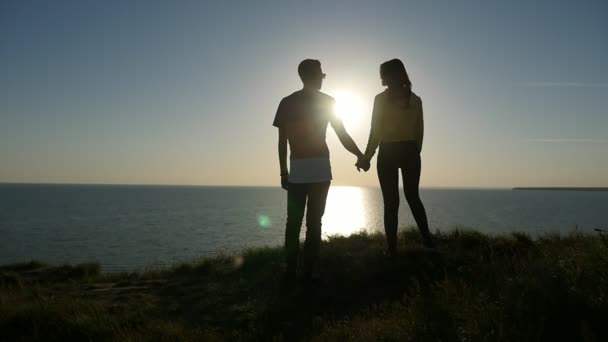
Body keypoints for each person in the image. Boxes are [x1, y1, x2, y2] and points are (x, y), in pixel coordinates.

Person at [273, 59, 363, 283]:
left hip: (297, 172)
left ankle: (290, 272)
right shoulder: (328, 102)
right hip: (321, 171)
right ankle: (308, 274)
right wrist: (360, 155)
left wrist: (283, 172)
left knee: (292, 223)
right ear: (313, 75)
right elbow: (342, 135)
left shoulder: (287, 102)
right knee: (315, 224)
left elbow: (282, 142)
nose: (323, 78)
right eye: (321, 74)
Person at [357, 58, 434, 255]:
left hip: (388, 152)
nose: (380, 77)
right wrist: (414, 152)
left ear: (388, 75)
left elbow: (375, 131)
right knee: (413, 197)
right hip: (409, 151)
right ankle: (428, 240)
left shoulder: (380, 100)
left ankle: (392, 250)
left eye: (382, 73)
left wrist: (367, 156)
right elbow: (420, 132)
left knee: (391, 203)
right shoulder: (415, 100)